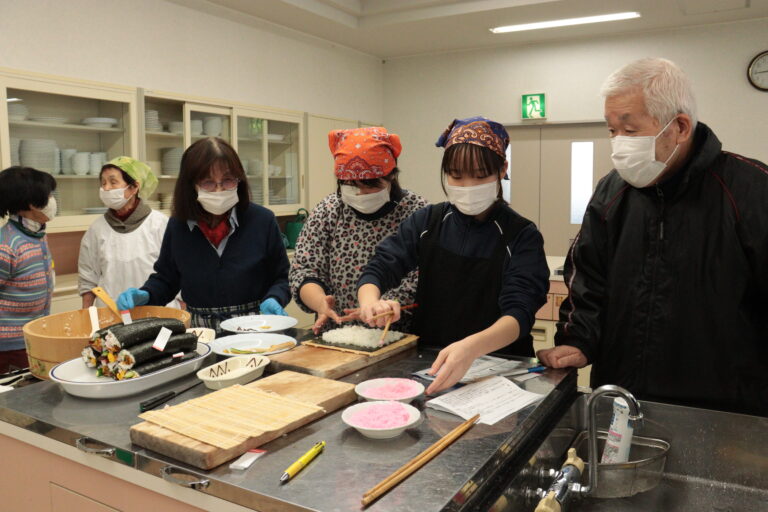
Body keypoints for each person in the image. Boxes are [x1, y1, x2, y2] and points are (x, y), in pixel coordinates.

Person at [536, 58, 768, 416]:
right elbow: (587, 279)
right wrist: (580, 339)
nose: (618, 144)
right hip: (621, 399)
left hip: (725, 409)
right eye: (612, 130)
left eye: (630, 131)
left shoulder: (751, 191)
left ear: (680, 126)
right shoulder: (611, 192)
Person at [357, 117, 549, 394]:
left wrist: (471, 347)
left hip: (499, 366)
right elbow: (381, 266)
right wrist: (370, 301)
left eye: (480, 175)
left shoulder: (520, 234)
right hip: (430, 361)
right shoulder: (428, 222)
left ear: (502, 169)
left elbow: (519, 314)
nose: (468, 186)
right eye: (457, 176)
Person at [116, 137, 290, 332]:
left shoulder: (262, 220)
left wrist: (275, 297)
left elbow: (283, 277)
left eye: (228, 181)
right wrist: (146, 294)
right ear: (191, 186)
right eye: (208, 183)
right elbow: (167, 279)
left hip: (255, 326)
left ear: (239, 181)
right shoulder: (179, 226)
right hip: (201, 331)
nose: (219, 190)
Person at [289, 127, 428, 334]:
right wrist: (320, 302)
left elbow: (426, 273)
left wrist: (384, 305)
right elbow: (304, 267)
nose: (361, 194)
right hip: (338, 332)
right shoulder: (328, 210)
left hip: (398, 332)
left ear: (391, 177)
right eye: (351, 187)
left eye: (370, 186)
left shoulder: (417, 212)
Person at [78, 157, 178, 309]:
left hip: (159, 314)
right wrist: (87, 318)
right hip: (111, 313)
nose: (106, 188)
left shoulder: (160, 224)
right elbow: (88, 278)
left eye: (113, 182)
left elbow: (178, 274)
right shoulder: (96, 230)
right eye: (103, 183)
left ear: (134, 187)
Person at [0, 167, 57, 373]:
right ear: (33, 203)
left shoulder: (37, 234)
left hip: (34, 337)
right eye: (49, 195)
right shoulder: (6, 245)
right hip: (9, 347)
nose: (53, 200)